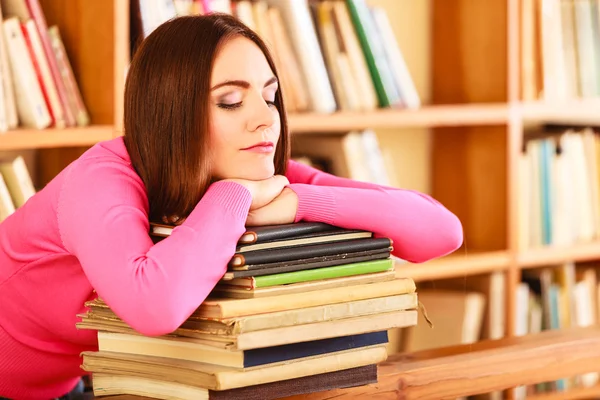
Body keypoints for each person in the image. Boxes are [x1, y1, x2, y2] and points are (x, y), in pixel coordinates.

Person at [0, 13, 463, 400]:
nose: (264, 118)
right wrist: (234, 197)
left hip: (77, 383)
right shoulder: (100, 179)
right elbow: (153, 306)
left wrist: (301, 201)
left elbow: (441, 231)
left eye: (269, 96)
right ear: (171, 113)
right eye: (231, 101)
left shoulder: (254, 166)